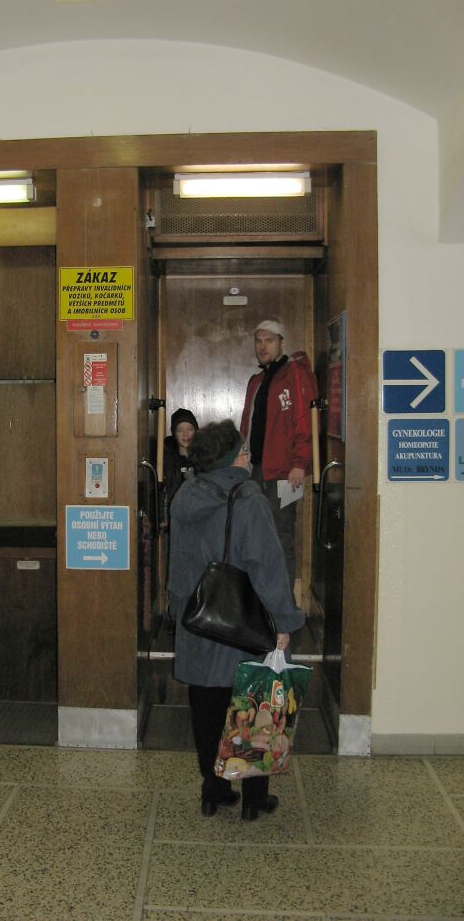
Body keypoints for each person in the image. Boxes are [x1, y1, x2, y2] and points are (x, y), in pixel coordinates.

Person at [168, 419, 305, 821]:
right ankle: (254, 798)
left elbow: (177, 563)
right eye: (245, 452)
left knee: (207, 705)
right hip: (243, 624)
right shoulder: (248, 498)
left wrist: (179, 613)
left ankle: (213, 791)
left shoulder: (184, 496)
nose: (249, 457)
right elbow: (267, 567)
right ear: (235, 457)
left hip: (197, 618)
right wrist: (284, 620)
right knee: (253, 704)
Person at [240, 319, 318, 586]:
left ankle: (283, 606)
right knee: (254, 534)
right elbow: (247, 426)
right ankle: (259, 599)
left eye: (269, 340)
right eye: (258, 341)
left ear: (281, 343)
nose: (263, 346)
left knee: (282, 535)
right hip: (256, 471)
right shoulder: (257, 380)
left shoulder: (294, 373)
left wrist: (299, 463)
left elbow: (303, 422)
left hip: (285, 472)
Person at [161, 408, 198, 526]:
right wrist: (162, 516)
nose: (186, 435)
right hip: (173, 516)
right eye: (180, 430)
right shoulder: (164, 455)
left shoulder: (205, 456)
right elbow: (158, 489)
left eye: (190, 429)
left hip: (199, 515)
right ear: (174, 433)